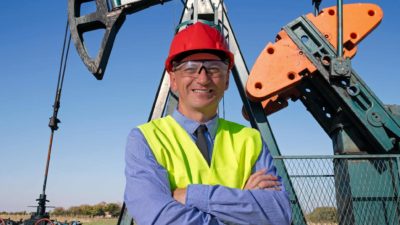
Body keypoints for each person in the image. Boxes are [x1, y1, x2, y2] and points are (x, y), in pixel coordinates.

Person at [124, 22, 291, 225]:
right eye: (190, 68)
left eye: (213, 69)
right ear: (174, 80)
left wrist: (193, 196)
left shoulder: (250, 140)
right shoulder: (145, 139)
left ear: (227, 79)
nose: (203, 79)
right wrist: (241, 203)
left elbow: (279, 214)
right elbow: (158, 217)